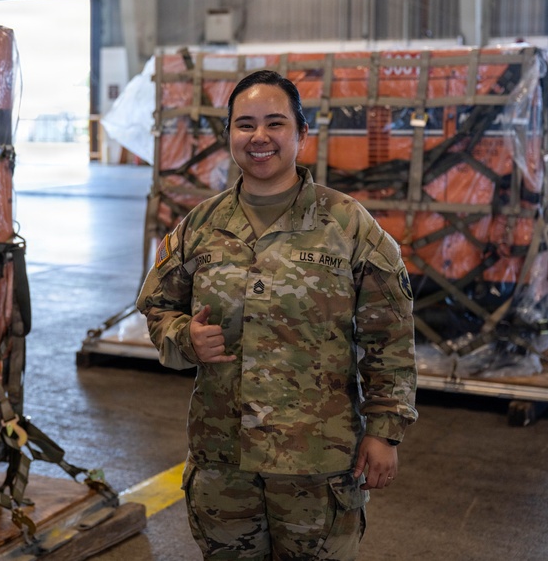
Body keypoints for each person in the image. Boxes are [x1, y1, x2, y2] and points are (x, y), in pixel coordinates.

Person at [136, 70, 418, 560]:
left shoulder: (347, 224)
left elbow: (389, 335)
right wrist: (184, 338)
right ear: (229, 135)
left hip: (317, 463)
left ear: (301, 134)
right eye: (245, 124)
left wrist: (384, 431)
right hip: (223, 462)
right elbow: (158, 306)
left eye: (275, 123)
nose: (259, 136)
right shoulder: (200, 226)